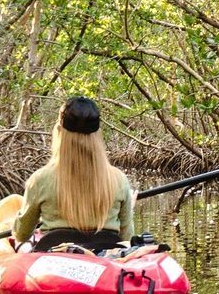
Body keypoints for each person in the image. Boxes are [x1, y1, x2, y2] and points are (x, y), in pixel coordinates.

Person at [13, 96, 135, 251]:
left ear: (59, 132)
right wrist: (128, 210)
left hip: (53, 261)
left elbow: (21, 235)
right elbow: (127, 238)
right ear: (98, 135)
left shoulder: (40, 180)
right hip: (105, 259)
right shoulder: (119, 180)